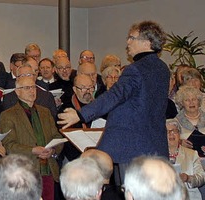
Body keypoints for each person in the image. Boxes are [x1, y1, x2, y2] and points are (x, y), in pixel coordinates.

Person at [58, 21, 171, 177]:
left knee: (130, 196)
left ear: (147, 42)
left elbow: (114, 95)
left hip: (130, 147)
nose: (128, 42)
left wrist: (80, 114)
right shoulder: (163, 68)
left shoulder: (135, 69)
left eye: (132, 37)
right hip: (154, 145)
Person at [0, 77, 63, 200]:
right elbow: (9, 145)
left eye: (33, 87)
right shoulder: (8, 115)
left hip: (47, 170)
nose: (32, 91)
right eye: (26, 88)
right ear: (17, 92)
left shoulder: (45, 112)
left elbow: (57, 136)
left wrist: (52, 150)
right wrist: (33, 150)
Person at [166, 119, 205, 200]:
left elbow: (202, 177)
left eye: (174, 131)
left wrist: (187, 178)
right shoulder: (158, 156)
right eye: (167, 132)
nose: (171, 134)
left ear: (179, 134)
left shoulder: (191, 154)